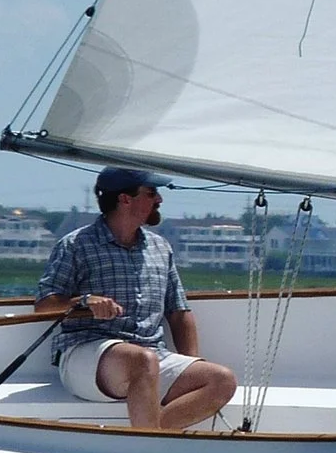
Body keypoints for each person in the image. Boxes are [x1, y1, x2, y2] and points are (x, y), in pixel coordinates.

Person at [35, 168, 237, 430]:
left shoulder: (160, 248)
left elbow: (178, 312)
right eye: (152, 193)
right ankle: (148, 447)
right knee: (142, 360)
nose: (160, 200)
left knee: (221, 380)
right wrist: (84, 301)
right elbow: (44, 306)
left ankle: (147, 437)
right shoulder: (75, 245)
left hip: (150, 356)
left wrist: (190, 365)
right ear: (125, 199)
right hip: (85, 354)